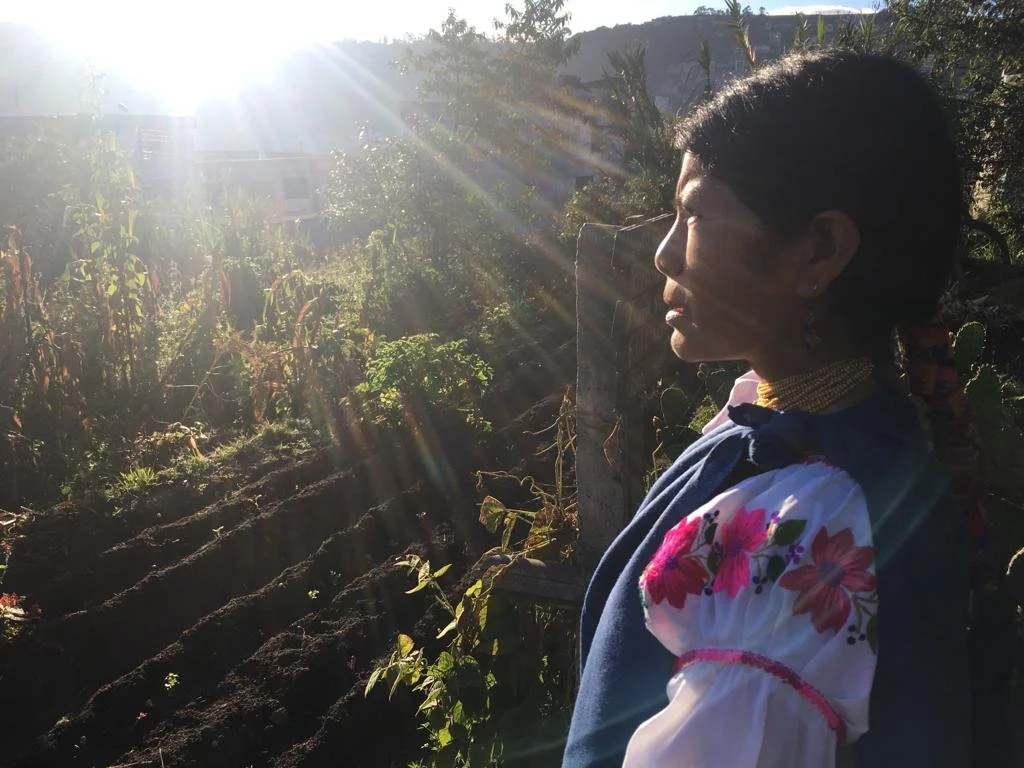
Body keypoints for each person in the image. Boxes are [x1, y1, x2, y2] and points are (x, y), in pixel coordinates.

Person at [562, 50, 973, 767]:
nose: (663, 254)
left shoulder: (804, 537)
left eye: (692, 213)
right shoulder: (801, 436)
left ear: (818, 251)